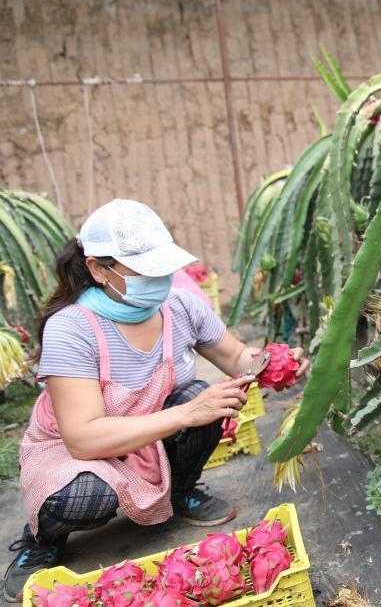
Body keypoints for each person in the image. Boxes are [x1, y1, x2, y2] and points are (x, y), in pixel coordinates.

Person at [1, 199, 309, 603]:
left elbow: (236, 357)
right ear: (98, 269)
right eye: (144, 270)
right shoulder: (71, 329)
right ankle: (43, 539)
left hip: (147, 439)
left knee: (203, 398)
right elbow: (83, 439)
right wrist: (187, 413)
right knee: (85, 496)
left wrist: (272, 363)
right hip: (73, 452)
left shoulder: (180, 307)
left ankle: (179, 491)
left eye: (162, 267)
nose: (159, 279)